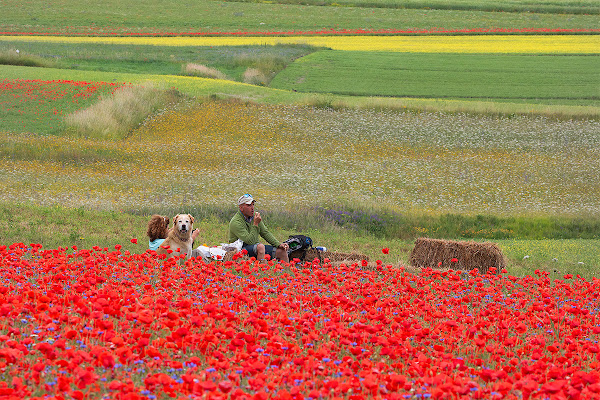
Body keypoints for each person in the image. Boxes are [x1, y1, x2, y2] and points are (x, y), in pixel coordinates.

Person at [228, 194, 289, 262]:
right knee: (260, 247)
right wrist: (255, 224)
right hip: (240, 249)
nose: (252, 208)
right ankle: (260, 270)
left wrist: (279, 244)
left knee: (282, 251)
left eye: (253, 204)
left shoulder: (254, 216)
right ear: (241, 208)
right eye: (249, 205)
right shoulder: (236, 222)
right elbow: (250, 241)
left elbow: (265, 233)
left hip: (255, 247)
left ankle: (287, 271)